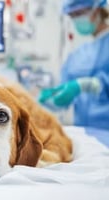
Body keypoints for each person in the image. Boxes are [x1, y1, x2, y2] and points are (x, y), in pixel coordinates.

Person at [39, 0, 109, 130]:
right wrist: (54, 97)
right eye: (73, 15)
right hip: (86, 132)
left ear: (97, 9)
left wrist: (85, 85)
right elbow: (67, 91)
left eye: (80, 13)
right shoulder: (79, 54)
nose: (77, 19)